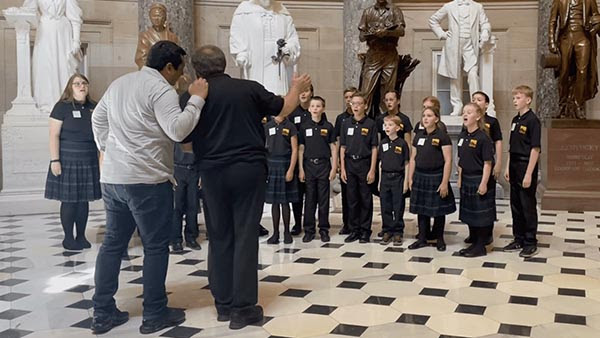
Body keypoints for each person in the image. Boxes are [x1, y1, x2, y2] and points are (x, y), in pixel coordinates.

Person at [182, 45, 310, 330]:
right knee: (245, 235)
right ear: (224, 63)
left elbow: (183, 139)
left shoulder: (192, 95)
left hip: (212, 172)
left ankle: (223, 304)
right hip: (248, 170)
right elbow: (284, 109)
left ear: (196, 68)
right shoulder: (248, 88)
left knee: (219, 235)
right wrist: (296, 86)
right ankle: (243, 308)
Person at [90, 41, 209, 335]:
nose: (181, 77)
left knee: (113, 245)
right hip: (146, 181)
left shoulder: (119, 83)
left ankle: (102, 313)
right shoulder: (161, 89)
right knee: (156, 246)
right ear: (168, 67)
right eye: (180, 71)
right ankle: (154, 314)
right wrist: (196, 100)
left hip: (114, 178)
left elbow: (97, 119)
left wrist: (109, 148)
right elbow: (178, 130)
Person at [44, 73, 100, 251]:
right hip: (67, 158)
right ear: (70, 87)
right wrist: (55, 160)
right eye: (77, 83)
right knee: (69, 200)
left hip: (89, 157)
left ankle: (81, 236)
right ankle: (68, 238)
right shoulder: (62, 107)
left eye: (84, 83)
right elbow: (54, 135)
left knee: (83, 200)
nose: (81, 86)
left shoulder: (94, 106)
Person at [429, 0, 492, 116]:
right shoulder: (449, 6)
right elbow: (433, 20)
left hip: (470, 45)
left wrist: (484, 33)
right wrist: (442, 33)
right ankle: (457, 105)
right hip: (453, 45)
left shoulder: (477, 7)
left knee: (473, 74)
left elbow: (485, 23)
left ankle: (476, 106)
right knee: (455, 75)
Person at [408, 107, 456, 252]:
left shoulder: (442, 136)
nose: (425, 118)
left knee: (438, 211)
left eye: (429, 116)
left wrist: (444, 182)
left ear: (436, 118)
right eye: (424, 116)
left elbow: (448, 160)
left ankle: (439, 239)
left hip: (436, 176)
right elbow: (413, 158)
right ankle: (422, 238)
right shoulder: (419, 136)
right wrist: (410, 177)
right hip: (420, 176)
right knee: (421, 210)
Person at [22, 0, 82, 113]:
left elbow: (75, 18)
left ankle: (65, 102)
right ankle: (46, 103)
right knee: (45, 67)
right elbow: (28, 11)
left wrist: (76, 40)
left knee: (64, 67)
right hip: (45, 31)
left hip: (63, 33)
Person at [229, 0, 301, 95]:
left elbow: (292, 38)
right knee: (256, 92)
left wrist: (289, 48)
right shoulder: (244, 11)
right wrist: (241, 52)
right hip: (256, 59)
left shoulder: (282, 12)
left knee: (278, 94)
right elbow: (237, 34)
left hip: (278, 62)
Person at [503, 85, 541, 258]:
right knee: (515, 204)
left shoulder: (533, 120)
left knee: (527, 205)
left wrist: (528, 173)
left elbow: (535, 149)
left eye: (518, 98)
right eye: (514, 98)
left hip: (526, 165)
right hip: (514, 164)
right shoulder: (515, 120)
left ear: (528, 99)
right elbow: (512, 147)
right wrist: (507, 166)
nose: (515, 101)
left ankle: (530, 240)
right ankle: (518, 237)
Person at [548, 0, 600, 119]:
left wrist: (596, 24)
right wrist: (551, 41)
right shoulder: (559, 0)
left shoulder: (589, 1)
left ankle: (578, 105)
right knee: (564, 73)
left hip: (583, 38)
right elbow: (553, 21)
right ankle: (562, 105)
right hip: (566, 37)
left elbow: (596, 17)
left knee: (582, 72)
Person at [463, 90, 501, 245]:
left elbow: (497, 143)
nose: (476, 101)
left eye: (479, 99)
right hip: (468, 174)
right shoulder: (466, 130)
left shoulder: (488, 127)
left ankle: (484, 238)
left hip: (482, 170)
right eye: (473, 99)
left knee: (483, 208)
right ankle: (474, 237)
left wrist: (498, 163)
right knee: (471, 209)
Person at [457, 103, 495, 257]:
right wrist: (460, 178)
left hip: (479, 178)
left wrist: (484, 183)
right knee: (470, 213)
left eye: (469, 112)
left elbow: (488, 163)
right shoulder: (463, 136)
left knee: (480, 215)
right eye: (464, 112)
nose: (465, 115)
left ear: (478, 116)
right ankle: (474, 242)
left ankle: (480, 246)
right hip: (466, 178)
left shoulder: (483, 137)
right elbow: (460, 160)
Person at [340, 92, 378, 243]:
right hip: (349, 164)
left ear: (365, 106)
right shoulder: (346, 123)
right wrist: (342, 168)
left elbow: (374, 147)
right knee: (352, 199)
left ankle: (365, 230)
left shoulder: (370, 124)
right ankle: (354, 229)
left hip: (364, 163)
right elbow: (343, 146)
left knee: (365, 199)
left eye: (358, 104)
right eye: (353, 103)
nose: (355, 106)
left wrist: (372, 169)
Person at [298, 96, 337, 243]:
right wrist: (301, 169)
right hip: (308, 166)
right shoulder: (304, 126)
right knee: (309, 199)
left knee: (323, 200)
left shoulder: (328, 127)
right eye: (313, 106)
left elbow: (333, 147)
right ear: (309, 108)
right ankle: (309, 230)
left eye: (318, 106)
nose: (315, 108)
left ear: (323, 108)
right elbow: (301, 148)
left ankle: (324, 229)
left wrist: (334, 167)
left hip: (323, 166)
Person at [358, 0, 406, 117]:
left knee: (388, 92)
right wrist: (372, 33)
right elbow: (361, 36)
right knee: (366, 90)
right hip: (373, 55)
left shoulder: (395, 10)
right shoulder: (368, 12)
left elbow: (401, 31)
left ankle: (388, 121)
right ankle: (361, 120)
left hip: (389, 55)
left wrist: (387, 33)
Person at [264, 111, 299, 245]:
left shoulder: (290, 126)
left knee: (285, 201)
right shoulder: (267, 126)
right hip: (271, 164)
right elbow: (264, 148)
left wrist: (291, 169)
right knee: (274, 202)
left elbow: (295, 149)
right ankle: (275, 233)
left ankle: (287, 232)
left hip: (285, 164)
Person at [378, 115, 410, 246]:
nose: (387, 127)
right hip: (385, 177)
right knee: (385, 205)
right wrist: (380, 181)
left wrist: (406, 181)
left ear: (397, 127)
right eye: (385, 125)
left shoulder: (402, 144)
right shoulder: (383, 143)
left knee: (397, 206)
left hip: (398, 177)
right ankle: (387, 230)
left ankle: (398, 231)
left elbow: (407, 163)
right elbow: (380, 163)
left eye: (390, 125)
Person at [334, 87, 358, 235]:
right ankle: (347, 224)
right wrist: (337, 161)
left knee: (358, 196)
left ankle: (358, 224)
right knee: (346, 195)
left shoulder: (363, 118)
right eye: (347, 97)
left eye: (352, 97)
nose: (349, 100)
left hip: (359, 161)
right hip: (346, 160)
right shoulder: (341, 118)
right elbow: (338, 141)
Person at [171, 142, 202, 253]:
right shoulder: (175, 130)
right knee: (176, 207)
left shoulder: (196, 129)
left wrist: (201, 174)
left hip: (194, 169)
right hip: (177, 168)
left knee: (192, 206)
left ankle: (191, 238)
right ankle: (176, 240)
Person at [134, 3, 179, 69]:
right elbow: (140, 58)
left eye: (159, 16)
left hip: (169, 72)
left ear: (164, 17)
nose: (156, 19)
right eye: (154, 16)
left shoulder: (172, 37)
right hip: (152, 72)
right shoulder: (145, 36)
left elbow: (177, 57)